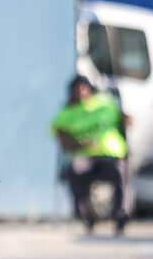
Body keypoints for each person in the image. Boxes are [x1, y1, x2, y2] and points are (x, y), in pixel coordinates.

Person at [50, 75, 130, 234]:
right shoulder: (67, 112)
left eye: (84, 88)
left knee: (120, 173)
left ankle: (119, 213)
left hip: (110, 155)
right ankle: (85, 214)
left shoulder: (105, 105)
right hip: (84, 156)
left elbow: (123, 119)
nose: (81, 92)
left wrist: (126, 120)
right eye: (77, 89)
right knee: (75, 170)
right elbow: (59, 133)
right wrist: (77, 144)